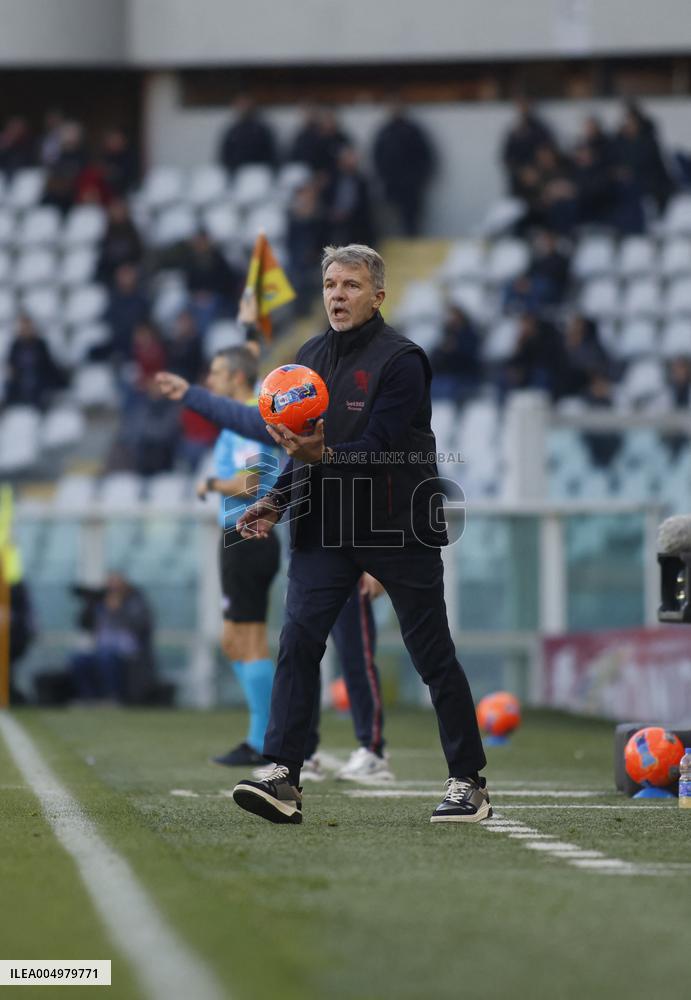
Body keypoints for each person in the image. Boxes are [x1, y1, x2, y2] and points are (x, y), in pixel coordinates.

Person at [202, 244, 487, 825]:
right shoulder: (307, 356)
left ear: (377, 296)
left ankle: (469, 782)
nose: (337, 295)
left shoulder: (403, 360)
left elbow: (378, 448)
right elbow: (301, 453)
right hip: (325, 527)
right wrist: (275, 502)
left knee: (432, 655)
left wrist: (321, 455)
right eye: (331, 284)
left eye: (351, 285)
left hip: (396, 524)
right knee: (298, 642)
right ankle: (283, 775)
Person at [156, 301, 395, 784]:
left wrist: (379, 556)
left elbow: (388, 474)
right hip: (311, 546)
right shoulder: (300, 412)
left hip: (357, 539)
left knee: (357, 648)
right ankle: (304, 749)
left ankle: (372, 749)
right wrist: (193, 394)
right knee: (300, 647)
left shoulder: (369, 405)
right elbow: (253, 422)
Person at [197, 344, 282, 767]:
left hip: (248, 537)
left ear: (236, 377)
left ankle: (264, 740)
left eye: (216, 372)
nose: (209, 380)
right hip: (239, 539)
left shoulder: (250, 419)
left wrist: (211, 483)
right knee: (235, 642)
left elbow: (250, 485)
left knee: (248, 642)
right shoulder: (242, 420)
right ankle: (269, 733)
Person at [70, 573, 156, 703]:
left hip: (126, 651)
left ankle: (111, 695)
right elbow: (84, 624)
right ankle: (87, 697)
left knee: (107, 658)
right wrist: (90, 604)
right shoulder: (100, 603)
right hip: (102, 648)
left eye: (116, 584)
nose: (113, 588)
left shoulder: (135, 602)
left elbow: (141, 624)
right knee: (79, 660)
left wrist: (119, 610)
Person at [373, 102, 435, 235]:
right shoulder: (385, 132)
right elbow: (377, 157)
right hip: (391, 185)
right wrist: (384, 177)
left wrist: (418, 179)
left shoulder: (413, 131)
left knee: (411, 223)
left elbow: (425, 157)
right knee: (390, 222)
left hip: (411, 187)